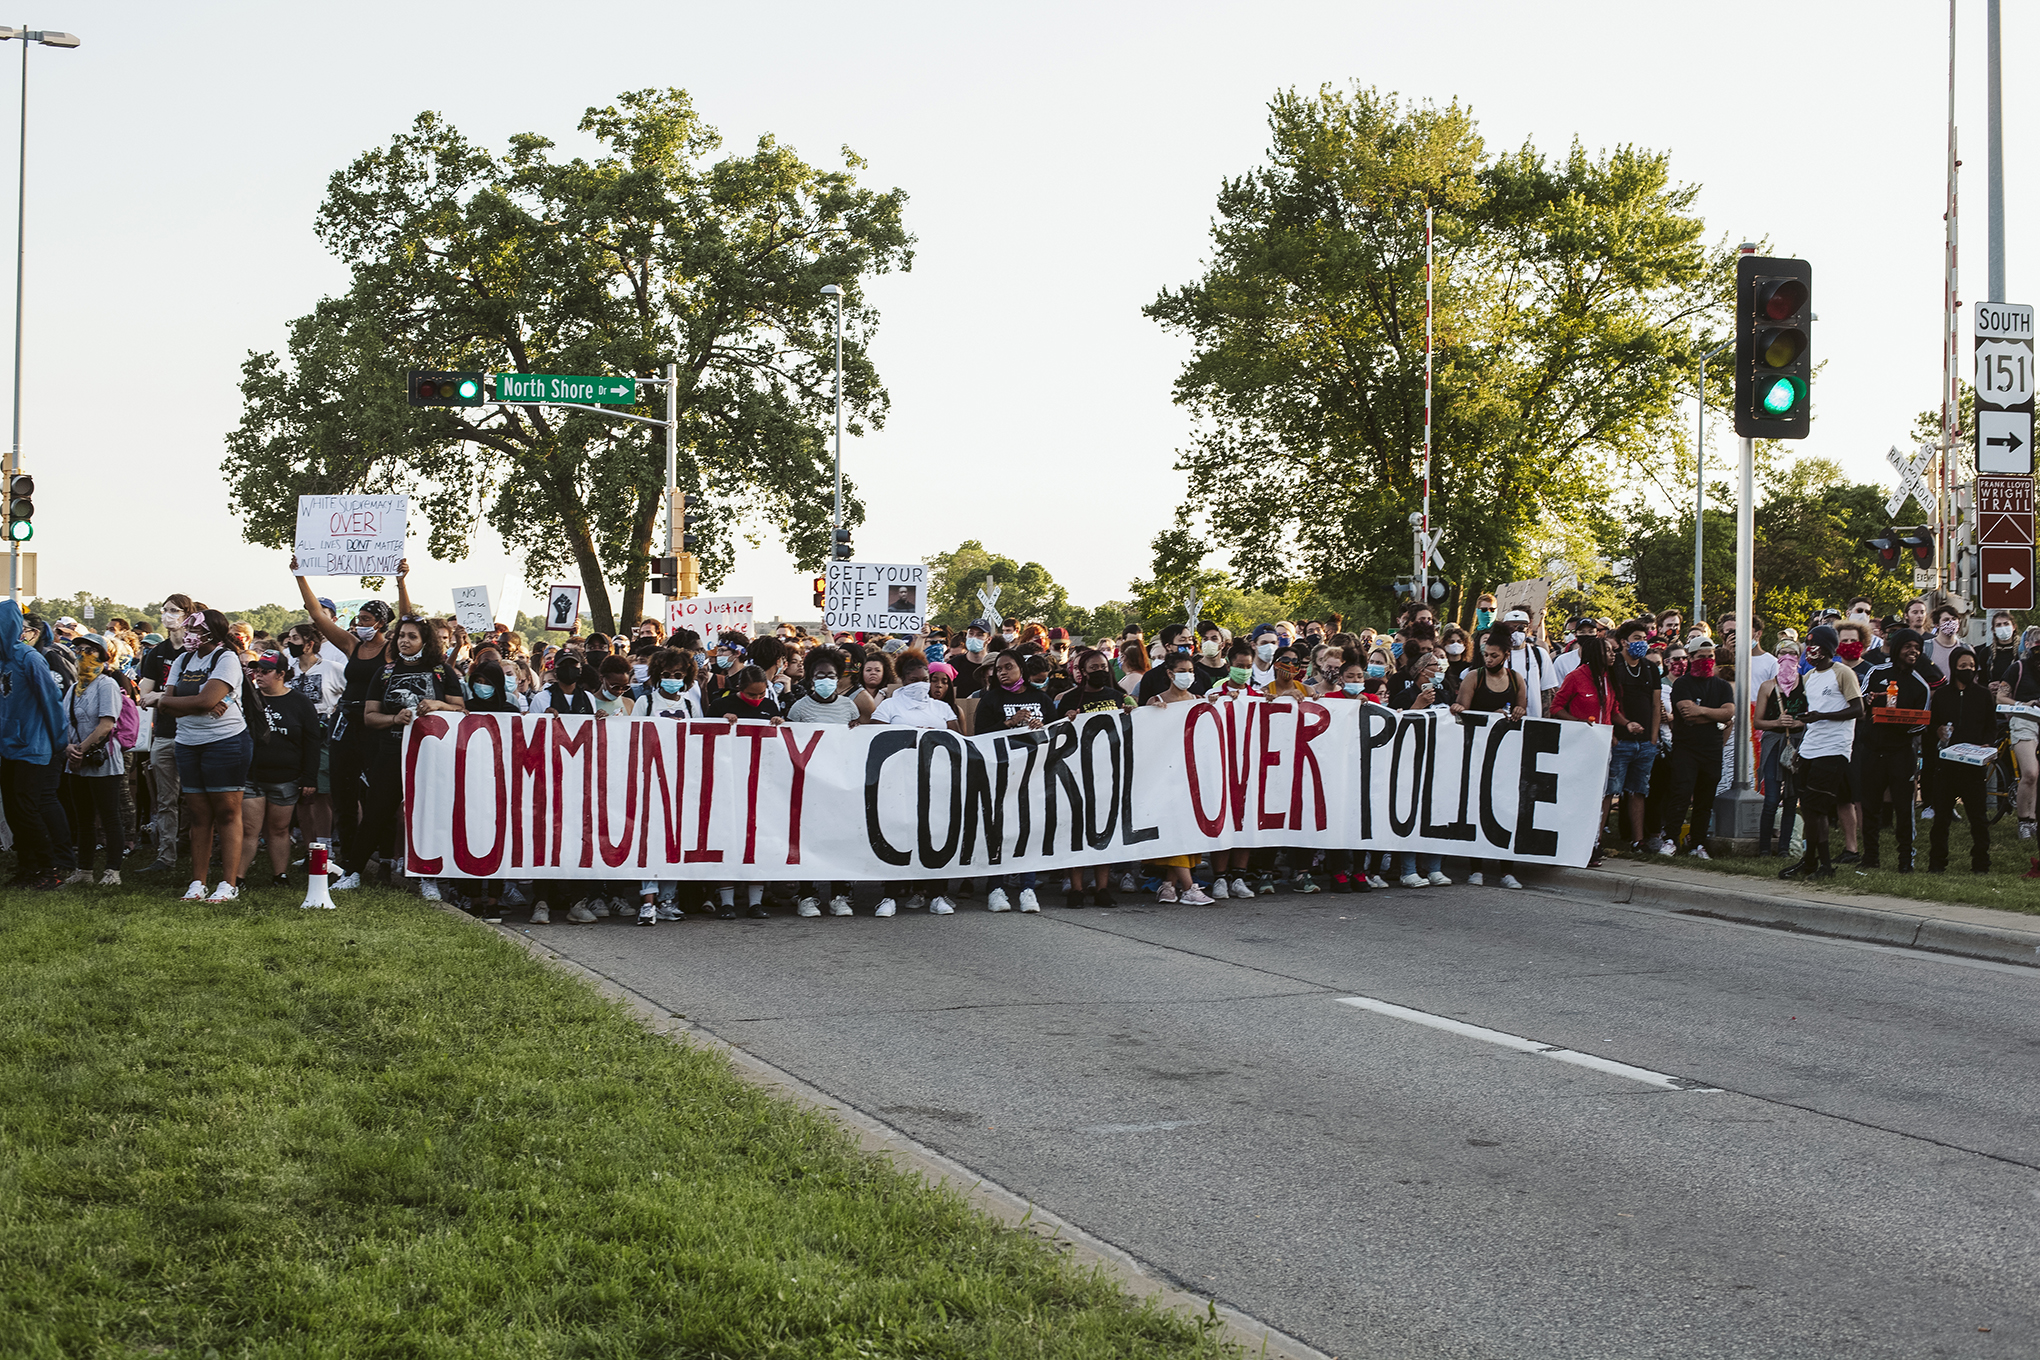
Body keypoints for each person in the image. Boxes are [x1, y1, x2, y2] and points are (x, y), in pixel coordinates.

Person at [348, 616, 465, 897]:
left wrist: (438, 704)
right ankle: (353, 871)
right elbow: (370, 717)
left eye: (412, 636)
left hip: (430, 756)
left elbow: (462, 710)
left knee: (427, 815)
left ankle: (428, 878)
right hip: (390, 753)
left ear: (425, 640)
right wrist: (393, 718)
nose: (404, 641)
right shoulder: (385, 673)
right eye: (401, 635)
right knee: (376, 812)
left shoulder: (441, 672)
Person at [156, 609, 253, 902]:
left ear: (212, 632)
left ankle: (228, 883)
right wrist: (194, 704)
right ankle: (198, 882)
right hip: (187, 741)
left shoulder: (226, 658)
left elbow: (206, 699)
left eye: (194, 631)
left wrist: (190, 702)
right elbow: (166, 704)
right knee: (198, 814)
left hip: (225, 741)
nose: (188, 636)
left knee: (226, 812)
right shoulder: (183, 660)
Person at [1780, 626, 1863, 881]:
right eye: (1807, 646)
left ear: (1827, 648)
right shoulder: (1809, 677)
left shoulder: (1843, 673)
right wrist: (1801, 743)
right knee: (1808, 808)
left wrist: (1822, 716)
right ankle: (1811, 862)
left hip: (1834, 749)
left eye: (1814, 646)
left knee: (1818, 807)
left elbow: (1858, 709)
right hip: (1810, 748)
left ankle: (1823, 865)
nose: (1809, 651)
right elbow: (1812, 712)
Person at [704, 666, 783, 919]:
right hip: (727, 780)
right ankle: (727, 901)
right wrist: (720, 724)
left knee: (757, 841)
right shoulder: (719, 706)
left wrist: (780, 725)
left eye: (760, 695)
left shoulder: (770, 706)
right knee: (728, 839)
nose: (757, 699)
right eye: (751, 695)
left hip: (761, 781)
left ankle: (755, 902)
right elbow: (703, 738)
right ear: (739, 689)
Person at [1453, 630, 1526, 890]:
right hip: (1478, 749)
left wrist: (1518, 711)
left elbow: (1522, 711)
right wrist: (1486, 713)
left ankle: (1507, 870)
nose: (1489, 659)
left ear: (1507, 655)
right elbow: (1462, 712)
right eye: (1485, 655)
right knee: (1478, 807)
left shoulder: (1517, 680)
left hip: (1506, 754)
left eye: (1494, 655)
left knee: (1506, 808)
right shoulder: (1474, 677)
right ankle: (1476, 868)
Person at [241, 651, 321, 887]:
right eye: (256, 671)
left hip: (286, 776)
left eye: (265, 671)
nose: (259, 676)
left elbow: (312, 741)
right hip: (252, 775)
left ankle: (280, 875)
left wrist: (309, 777)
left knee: (279, 829)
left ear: (281, 674)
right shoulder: (249, 698)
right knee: (249, 829)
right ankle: (237, 877)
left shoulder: (300, 702)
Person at [1855, 628, 1931, 872]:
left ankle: (1905, 859)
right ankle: (1870, 857)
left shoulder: (1921, 685)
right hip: (1872, 750)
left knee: (1903, 806)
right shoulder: (1877, 673)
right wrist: (1869, 702)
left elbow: (1921, 722)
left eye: (1917, 647)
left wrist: (1901, 723)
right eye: (1908, 646)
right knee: (1870, 805)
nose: (1913, 651)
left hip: (1901, 752)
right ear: (1898, 648)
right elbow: (1861, 704)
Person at [1656, 637, 1734, 860]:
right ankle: (1670, 838)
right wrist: (1713, 715)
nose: (1707, 660)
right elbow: (1686, 713)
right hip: (1686, 749)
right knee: (1681, 793)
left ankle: (1697, 842)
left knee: (1705, 798)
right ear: (1690, 658)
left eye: (1710, 657)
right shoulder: (1683, 684)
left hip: (1712, 749)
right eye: (1701, 657)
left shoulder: (1721, 685)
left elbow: (1728, 712)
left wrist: (1701, 711)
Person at [58, 632, 126, 886]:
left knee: (109, 816)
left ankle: (112, 871)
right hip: (75, 762)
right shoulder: (75, 688)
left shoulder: (106, 685)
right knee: (83, 818)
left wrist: (80, 750)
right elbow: (64, 723)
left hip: (102, 760)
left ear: (102, 655)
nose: (83, 654)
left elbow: (106, 724)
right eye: (79, 649)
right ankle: (84, 871)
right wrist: (68, 749)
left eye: (90, 649)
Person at [1927, 645, 1995, 874]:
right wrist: (1938, 731)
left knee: (1978, 818)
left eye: (1971, 667)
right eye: (1963, 666)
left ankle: (1981, 864)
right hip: (1947, 765)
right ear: (1954, 667)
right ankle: (1936, 863)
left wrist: (1986, 745)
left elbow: (1990, 727)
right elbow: (1931, 725)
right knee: (1941, 819)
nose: (1968, 670)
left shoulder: (1984, 695)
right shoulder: (1943, 696)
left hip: (1974, 766)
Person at [1606, 619, 1662, 854]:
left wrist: (1653, 738)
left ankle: (1638, 841)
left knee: (1639, 790)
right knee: (1610, 791)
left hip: (1645, 743)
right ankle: (1598, 838)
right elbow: (1607, 702)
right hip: (1619, 739)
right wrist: (1613, 734)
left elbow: (1656, 704)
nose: (1641, 643)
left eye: (1643, 638)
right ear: (1623, 642)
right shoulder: (1614, 666)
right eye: (1636, 638)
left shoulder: (1650, 668)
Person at [1751, 636, 1805, 858]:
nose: (1788, 658)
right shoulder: (1767, 686)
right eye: (1783, 654)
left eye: (1792, 654)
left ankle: (1784, 848)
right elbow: (1758, 721)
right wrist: (1777, 723)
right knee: (1772, 796)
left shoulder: (1805, 682)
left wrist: (1798, 722)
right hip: (1774, 742)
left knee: (1792, 797)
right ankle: (1764, 847)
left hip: (1796, 742)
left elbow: (1810, 715)